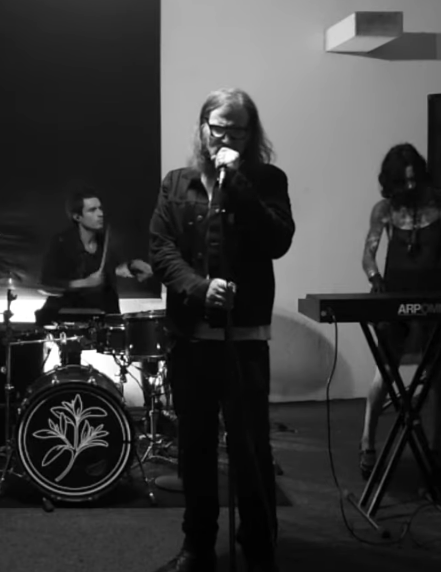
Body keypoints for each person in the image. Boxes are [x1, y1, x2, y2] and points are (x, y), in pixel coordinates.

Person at [149, 87, 294, 572]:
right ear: (202, 128)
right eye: (218, 129)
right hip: (190, 338)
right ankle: (198, 546)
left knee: (251, 447)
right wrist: (199, 288)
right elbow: (161, 249)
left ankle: (259, 545)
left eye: (237, 130)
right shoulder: (176, 183)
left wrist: (241, 186)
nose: (226, 138)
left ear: (251, 135)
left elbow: (277, 240)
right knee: (195, 448)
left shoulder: (267, 181)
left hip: (244, 338)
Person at [360, 142, 441, 479]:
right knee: (385, 372)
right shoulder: (385, 210)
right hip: (394, 298)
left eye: (413, 179)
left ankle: (435, 451)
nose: (409, 186)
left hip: (433, 301)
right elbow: (369, 254)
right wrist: (375, 278)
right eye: (403, 180)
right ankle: (368, 442)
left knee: (436, 376)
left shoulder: (437, 206)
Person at [35, 184, 152, 364]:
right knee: (68, 358)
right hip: (64, 316)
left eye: (100, 208)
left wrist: (132, 266)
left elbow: (113, 269)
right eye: (92, 210)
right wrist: (82, 283)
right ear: (77, 217)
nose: (100, 214)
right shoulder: (61, 242)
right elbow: (46, 284)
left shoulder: (105, 241)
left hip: (101, 314)